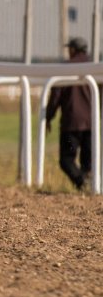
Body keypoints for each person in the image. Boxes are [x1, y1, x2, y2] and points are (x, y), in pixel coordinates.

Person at [45, 37, 96, 191]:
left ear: (73, 49)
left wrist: (49, 116)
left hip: (71, 124)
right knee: (88, 163)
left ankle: (81, 183)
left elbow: (56, 96)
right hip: (90, 124)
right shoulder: (95, 67)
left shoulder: (66, 68)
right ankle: (87, 187)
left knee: (66, 160)